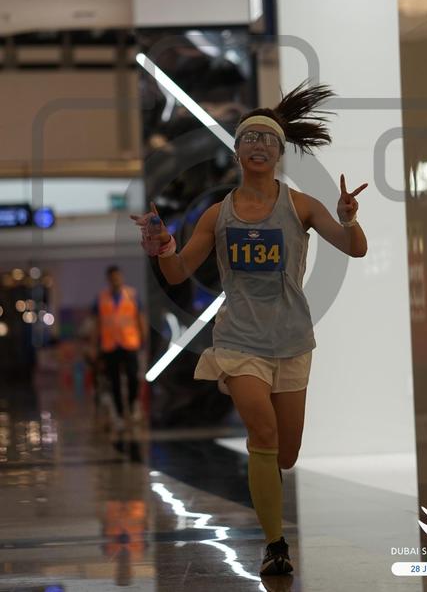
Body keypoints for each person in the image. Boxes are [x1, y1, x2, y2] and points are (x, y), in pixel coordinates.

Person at [130, 80, 368, 576]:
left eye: (267, 140)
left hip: (292, 340)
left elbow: (355, 248)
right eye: (249, 139)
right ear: (237, 150)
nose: (258, 146)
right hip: (239, 341)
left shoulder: (301, 205)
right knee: (261, 432)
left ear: (280, 152)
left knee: (286, 451)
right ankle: (275, 544)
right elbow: (178, 272)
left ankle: (271, 497)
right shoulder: (217, 214)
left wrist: (348, 219)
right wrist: (163, 246)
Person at [91, 266, 148, 432]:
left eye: (118, 277)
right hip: (110, 346)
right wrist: (94, 346)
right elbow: (97, 323)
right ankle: (120, 414)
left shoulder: (132, 295)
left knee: (133, 377)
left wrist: (143, 339)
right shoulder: (102, 298)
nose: (116, 280)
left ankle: (133, 404)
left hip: (130, 343)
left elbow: (140, 318)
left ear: (121, 277)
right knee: (114, 381)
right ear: (108, 279)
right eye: (113, 277)